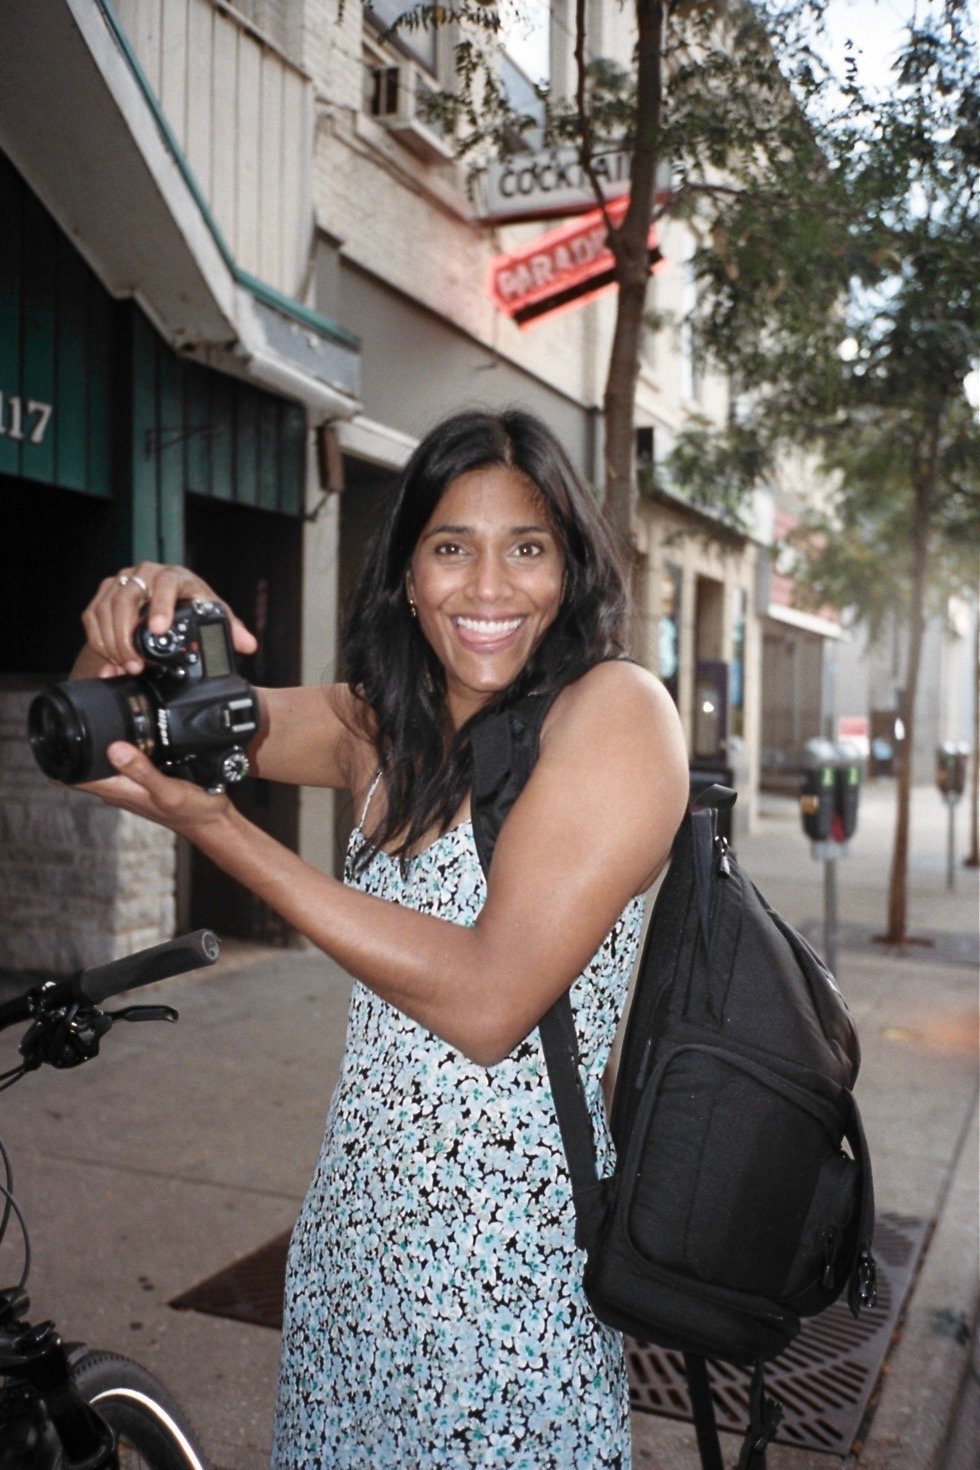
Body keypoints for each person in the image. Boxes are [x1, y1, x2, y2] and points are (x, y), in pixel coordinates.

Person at [71, 408, 689, 1469]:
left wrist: (220, 830)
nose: (488, 588)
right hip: (349, 1262)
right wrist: (128, 618)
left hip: (503, 1297)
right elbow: (101, 749)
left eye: (525, 548)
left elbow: (491, 1002)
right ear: (406, 573)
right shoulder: (375, 728)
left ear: (569, 568)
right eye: (451, 547)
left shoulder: (614, 713)